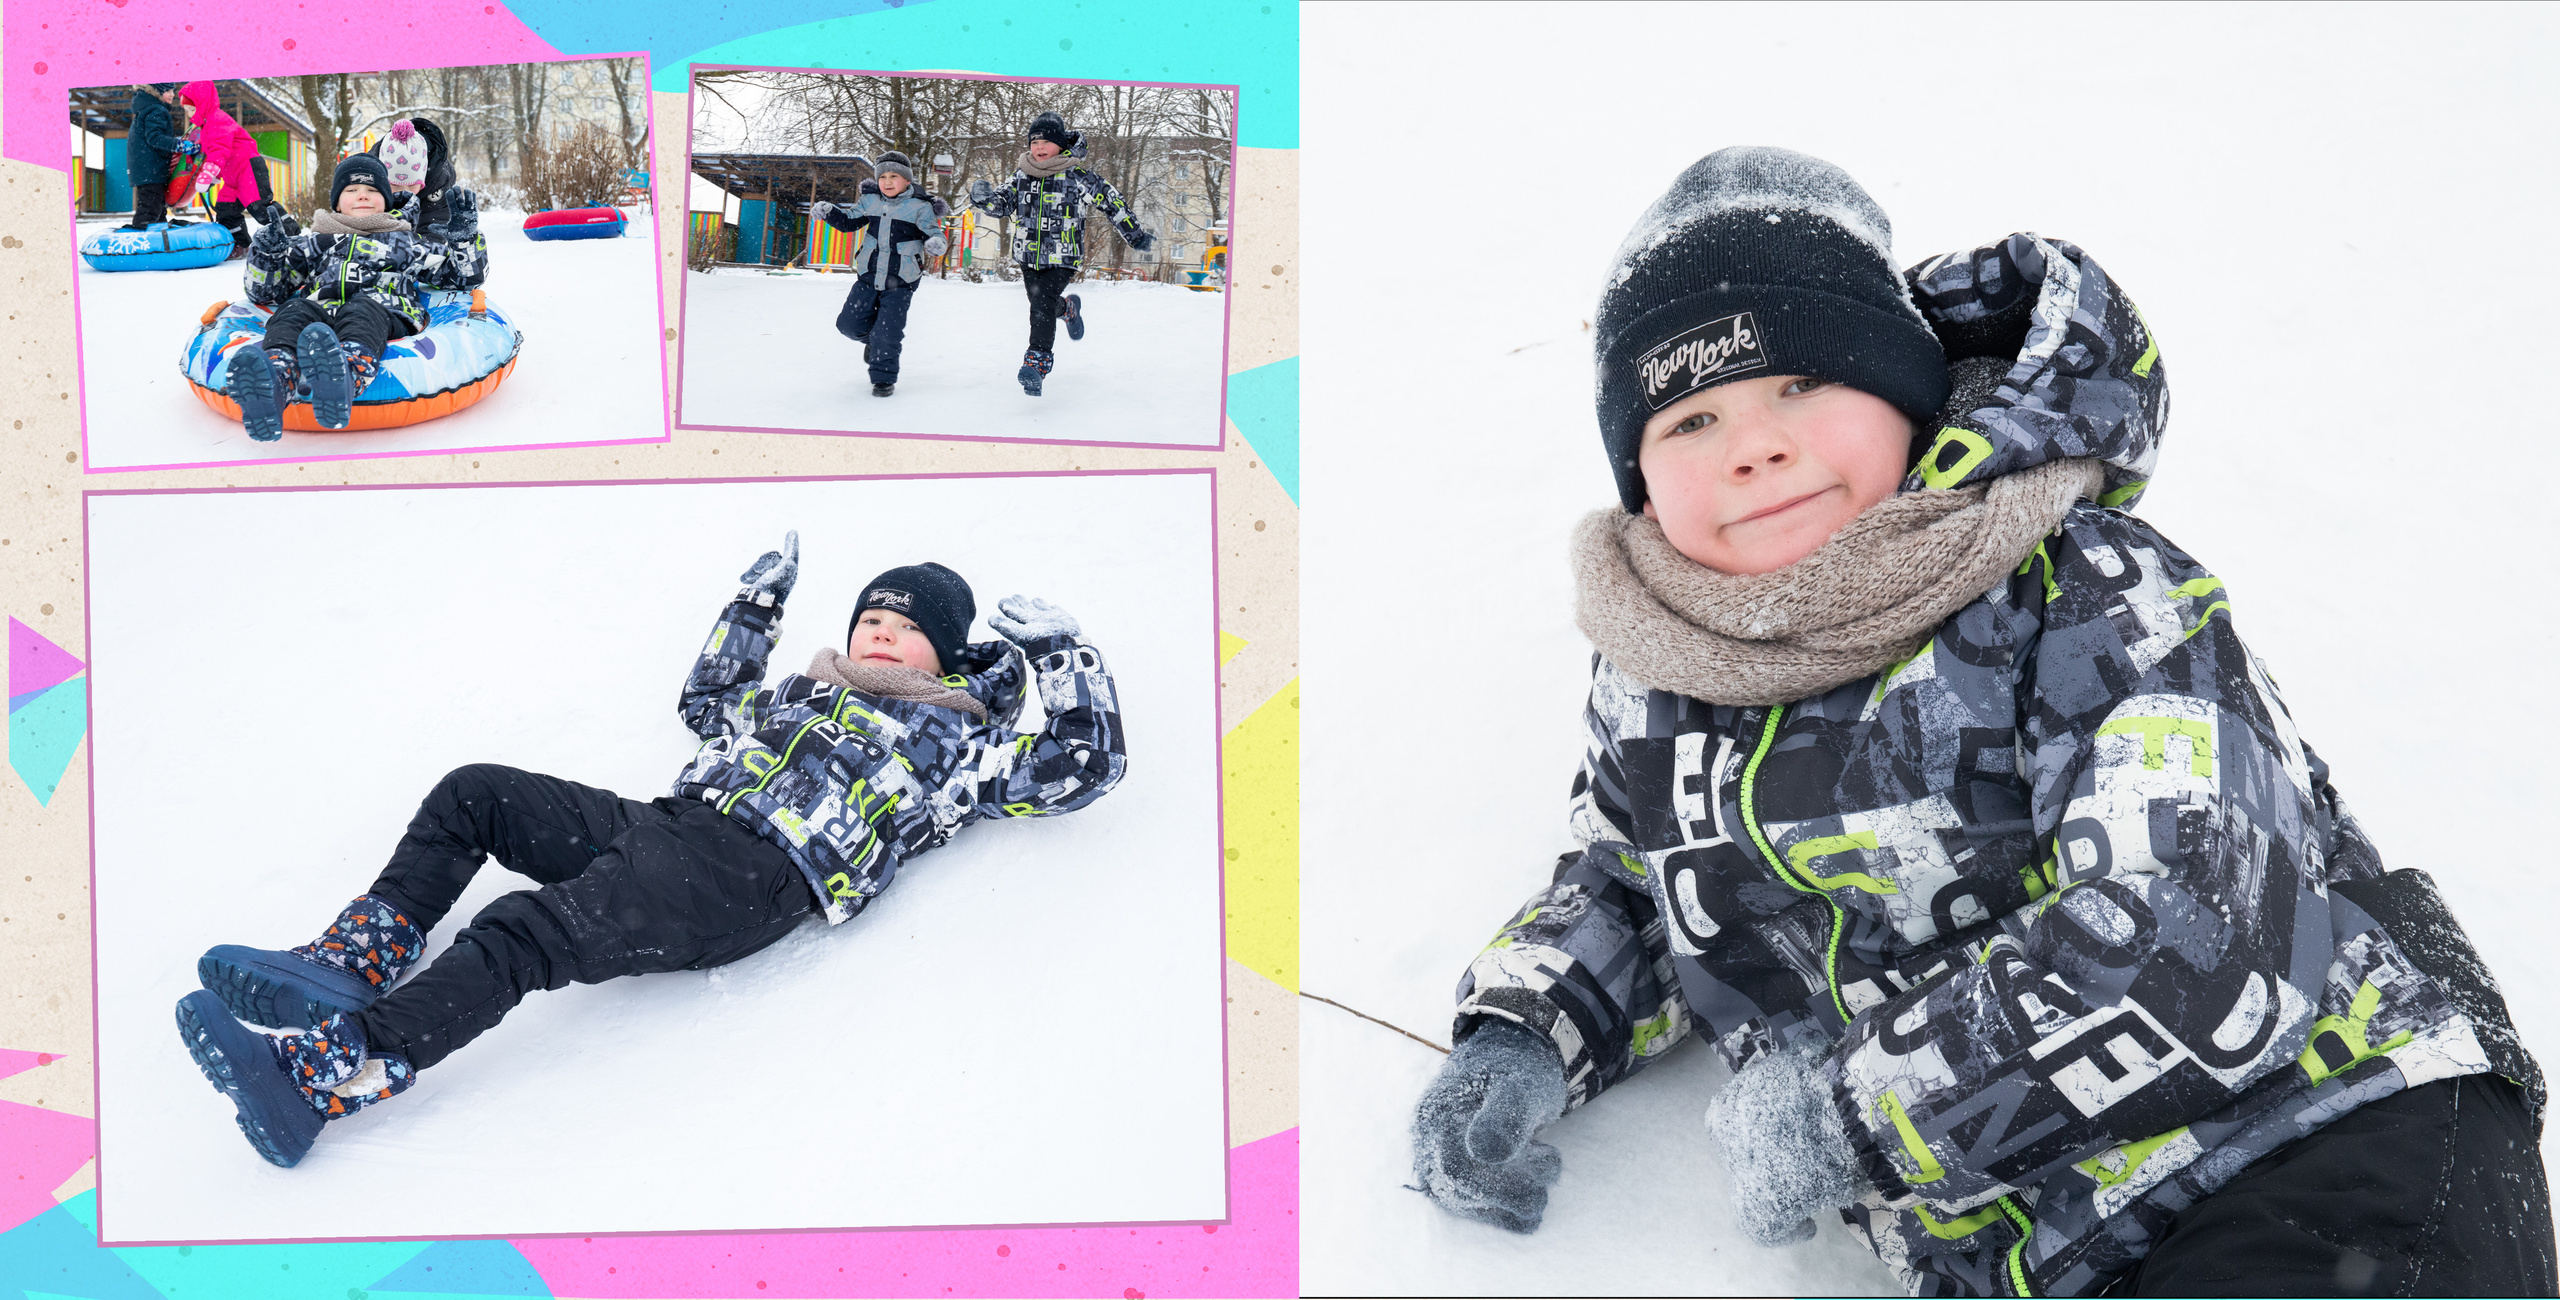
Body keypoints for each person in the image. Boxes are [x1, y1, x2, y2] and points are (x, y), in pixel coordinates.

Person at [1407, 147, 2553, 1296]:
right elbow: (1639, 888)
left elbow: (2204, 923)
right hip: (2033, 1260)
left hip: (2324, 1134)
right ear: (1640, 478)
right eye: (1690, 417)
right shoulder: (1662, 676)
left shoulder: (2079, 588)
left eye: (1803, 384)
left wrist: (1853, 1113)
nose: (1753, 445)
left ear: (1905, 396)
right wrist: (1522, 1032)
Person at [176, 538, 1126, 1168]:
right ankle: (350, 963)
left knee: (521, 932)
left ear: (946, 655)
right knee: (477, 792)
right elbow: (706, 703)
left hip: (753, 874)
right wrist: (755, 604)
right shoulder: (801, 692)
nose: (883, 632)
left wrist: (1063, 653)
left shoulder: (957, 744)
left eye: (909, 627)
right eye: (872, 617)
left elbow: (1084, 764)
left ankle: (323, 1077)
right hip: (669, 826)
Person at [227, 154, 427, 439]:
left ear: (386, 200)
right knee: (294, 310)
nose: (362, 196)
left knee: (362, 308)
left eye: (372, 190)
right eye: (351, 189)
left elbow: (459, 276)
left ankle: (344, 376)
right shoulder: (313, 243)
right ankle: (275, 379)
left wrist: (465, 241)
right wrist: (268, 255)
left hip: (382, 313)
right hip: (320, 317)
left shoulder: (406, 242)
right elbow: (266, 293)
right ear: (337, 202)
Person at [967, 111, 1156, 397]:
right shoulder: (1022, 175)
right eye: (1034, 142)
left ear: (1060, 145)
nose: (1039, 147)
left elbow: (1111, 201)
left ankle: (1037, 363)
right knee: (1041, 303)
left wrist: (1135, 234)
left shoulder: (1076, 176)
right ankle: (1067, 310)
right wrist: (984, 199)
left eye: (1046, 142)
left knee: (1041, 304)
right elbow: (1002, 204)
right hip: (1028, 256)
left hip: (1063, 256)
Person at [813, 151, 950, 397]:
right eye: (882, 177)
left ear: (907, 180)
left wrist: (937, 243)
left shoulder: (920, 207)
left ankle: (883, 379)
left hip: (902, 279)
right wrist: (829, 211)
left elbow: (933, 232)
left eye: (894, 176)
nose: (887, 181)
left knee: (888, 332)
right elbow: (849, 221)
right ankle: (873, 341)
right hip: (868, 274)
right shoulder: (870, 201)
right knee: (848, 325)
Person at [362, 116, 488, 292]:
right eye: (395, 185)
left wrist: (463, 242)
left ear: (422, 181)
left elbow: (433, 229)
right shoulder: (365, 178)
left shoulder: (438, 182)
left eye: (411, 185)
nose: (404, 192)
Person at [174, 81, 269, 260]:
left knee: (261, 207)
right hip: (232, 177)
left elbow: (220, 149)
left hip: (247, 168)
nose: (190, 114)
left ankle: (290, 238)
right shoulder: (205, 128)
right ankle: (239, 244)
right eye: (187, 111)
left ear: (202, 104)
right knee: (226, 209)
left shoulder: (217, 120)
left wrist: (208, 173)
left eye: (192, 109)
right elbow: (214, 154)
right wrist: (214, 176)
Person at [118, 83, 198, 231]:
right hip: (150, 168)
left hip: (146, 167)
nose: (172, 94)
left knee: (158, 206)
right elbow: (155, 138)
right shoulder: (156, 109)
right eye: (168, 91)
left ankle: (158, 233)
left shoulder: (147, 108)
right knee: (150, 206)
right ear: (156, 92)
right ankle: (140, 234)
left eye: (173, 90)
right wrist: (180, 146)